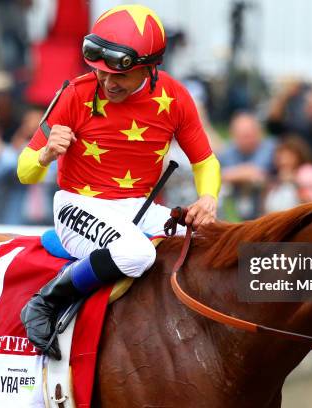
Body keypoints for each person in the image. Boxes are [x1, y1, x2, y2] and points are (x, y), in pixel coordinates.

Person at [17, 4, 221, 359]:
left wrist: (208, 198)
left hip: (138, 209)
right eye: (100, 73)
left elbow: (205, 161)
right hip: (77, 206)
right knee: (136, 253)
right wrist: (46, 154)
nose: (108, 83)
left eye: (119, 76)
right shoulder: (74, 94)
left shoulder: (174, 98)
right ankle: (46, 302)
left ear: (148, 68)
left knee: (217, 242)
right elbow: (24, 172)